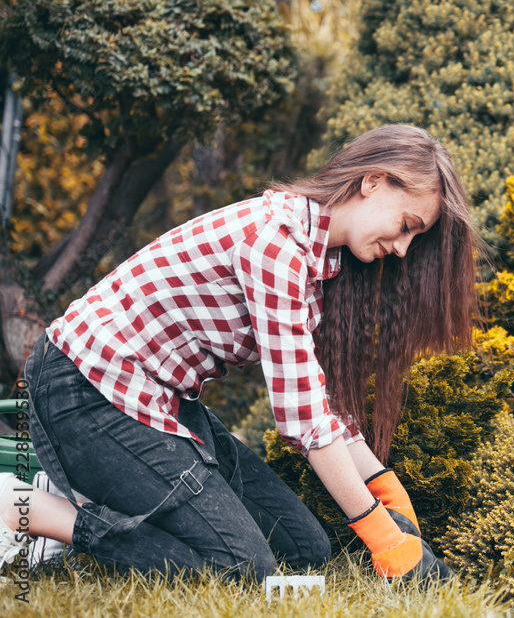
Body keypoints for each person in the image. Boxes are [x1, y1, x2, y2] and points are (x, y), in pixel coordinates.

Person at [0, 124, 479, 583]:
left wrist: (388, 495)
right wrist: (382, 538)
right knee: (244, 569)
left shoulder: (323, 266)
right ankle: (48, 515)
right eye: (407, 226)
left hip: (163, 403)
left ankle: (130, 496)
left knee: (304, 548)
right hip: (84, 390)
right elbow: (304, 420)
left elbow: (325, 405)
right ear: (373, 181)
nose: (402, 248)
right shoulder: (275, 243)